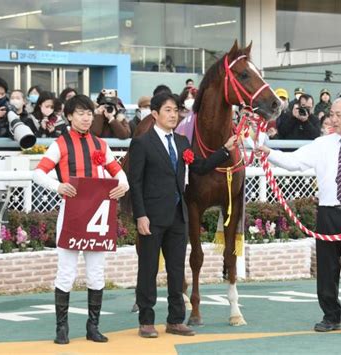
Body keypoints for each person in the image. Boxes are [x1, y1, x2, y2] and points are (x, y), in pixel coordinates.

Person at [256, 97, 341, 335]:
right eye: (332, 114)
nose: (333, 119)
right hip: (327, 212)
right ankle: (330, 316)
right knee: (327, 268)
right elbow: (294, 162)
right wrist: (268, 152)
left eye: (339, 115)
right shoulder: (321, 143)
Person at [128, 93, 239, 339]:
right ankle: (146, 320)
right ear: (154, 114)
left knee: (177, 269)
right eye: (167, 110)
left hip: (179, 216)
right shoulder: (142, 143)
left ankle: (175, 320)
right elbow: (135, 183)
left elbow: (199, 166)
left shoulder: (181, 142)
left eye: (175, 110)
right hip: (152, 218)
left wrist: (224, 150)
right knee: (148, 269)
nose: (173, 114)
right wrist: (141, 215)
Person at [33, 94, 129, 344]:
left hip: (98, 216)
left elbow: (120, 174)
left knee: (97, 272)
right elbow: (38, 173)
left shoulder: (101, 144)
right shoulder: (60, 144)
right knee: (66, 273)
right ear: (69, 117)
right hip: (72, 213)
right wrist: (59, 186)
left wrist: (123, 187)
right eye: (80, 113)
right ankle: (61, 328)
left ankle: (93, 327)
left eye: (89, 113)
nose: (86, 118)